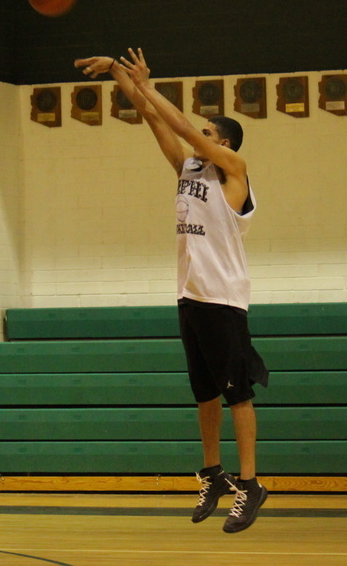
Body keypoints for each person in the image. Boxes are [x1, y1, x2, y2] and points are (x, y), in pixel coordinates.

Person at [76, 49, 269, 533]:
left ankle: (250, 484)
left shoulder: (235, 170)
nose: (196, 136)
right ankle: (214, 472)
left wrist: (149, 83)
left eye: (206, 133)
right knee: (204, 393)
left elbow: (181, 125)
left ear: (223, 142)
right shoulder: (189, 170)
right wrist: (119, 74)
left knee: (237, 394)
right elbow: (154, 119)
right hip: (190, 296)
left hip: (223, 298)